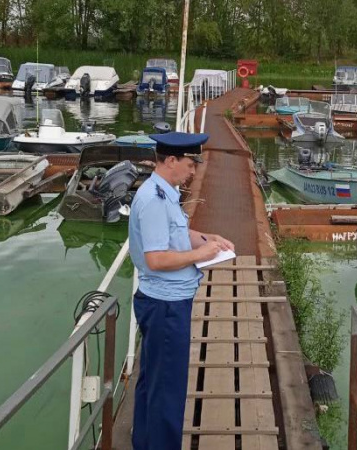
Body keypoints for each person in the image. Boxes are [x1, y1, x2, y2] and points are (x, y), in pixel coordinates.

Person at [128, 131, 234, 450]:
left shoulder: (165, 192)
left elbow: (174, 233)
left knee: (154, 382)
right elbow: (157, 259)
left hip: (166, 303)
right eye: (190, 164)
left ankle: (144, 442)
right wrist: (199, 256)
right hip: (166, 307)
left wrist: (206, 237)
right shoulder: (153, 200)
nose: (193, 171)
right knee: (168, 390)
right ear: (171, 161)